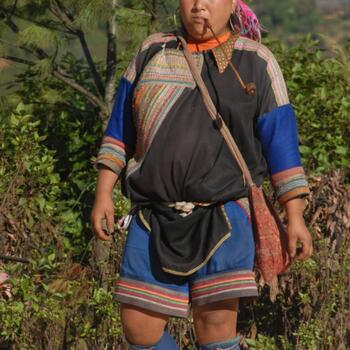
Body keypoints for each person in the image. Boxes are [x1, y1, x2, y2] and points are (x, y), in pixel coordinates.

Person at [91, 0, 313, 349]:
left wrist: (294, 217)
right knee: (139, 329)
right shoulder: (152, 51)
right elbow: (120, 130)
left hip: (224, 215)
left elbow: (281, 144)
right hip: (153, 215)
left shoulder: (256, 62)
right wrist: (103, 193)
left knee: (216, 329)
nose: (199, 6)